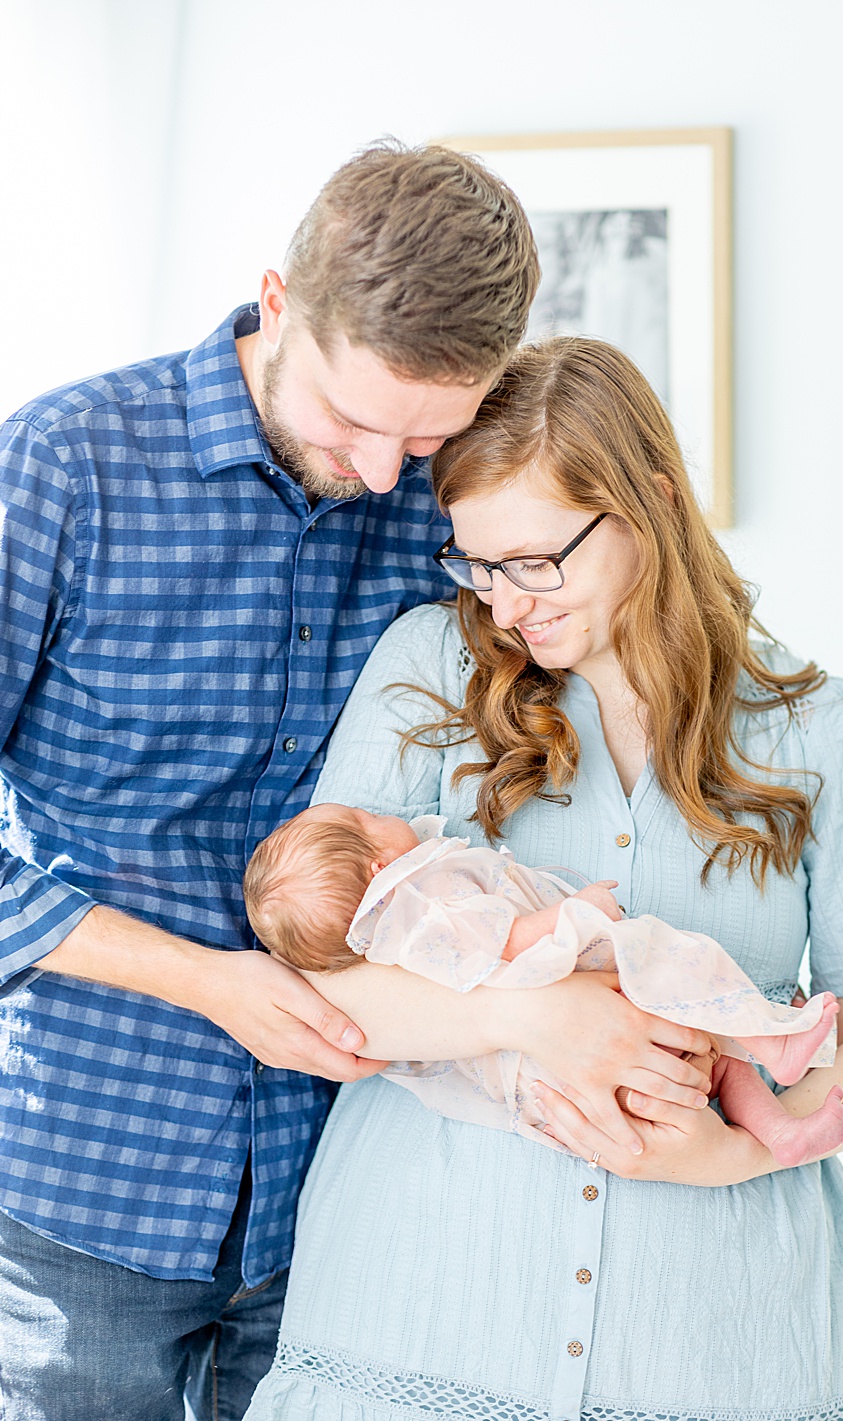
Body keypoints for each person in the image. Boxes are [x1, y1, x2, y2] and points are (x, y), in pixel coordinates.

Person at [242, 337, 843, 1421]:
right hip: (426, 1308)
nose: (505, 603)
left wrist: (735, 1154)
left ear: (648, 502)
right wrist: (542, 1016)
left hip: (726, 1338)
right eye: (475, 562)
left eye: (535, 560)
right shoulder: (429, 665)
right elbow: (318, 983)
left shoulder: (821, 727)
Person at [0, 141, 542, 1421]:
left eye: (426, 435)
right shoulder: (63, 468)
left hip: (347, 1195)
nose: (380, 474)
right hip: (78, 1192)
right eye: (352, 421)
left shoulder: (440, 498)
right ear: (277, 304)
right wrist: (203, 976)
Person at [242, 802, 843, 1165]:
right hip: (562, 984)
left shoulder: (389, 940)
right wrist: (575, 912)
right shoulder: (423, 902)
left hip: (553, 1080)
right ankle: (773, 1043)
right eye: (367, 817)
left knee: (713, 1064)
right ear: (381, 868)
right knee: (673, 960)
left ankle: (781, 1132)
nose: (384, 811)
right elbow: (503, 941)